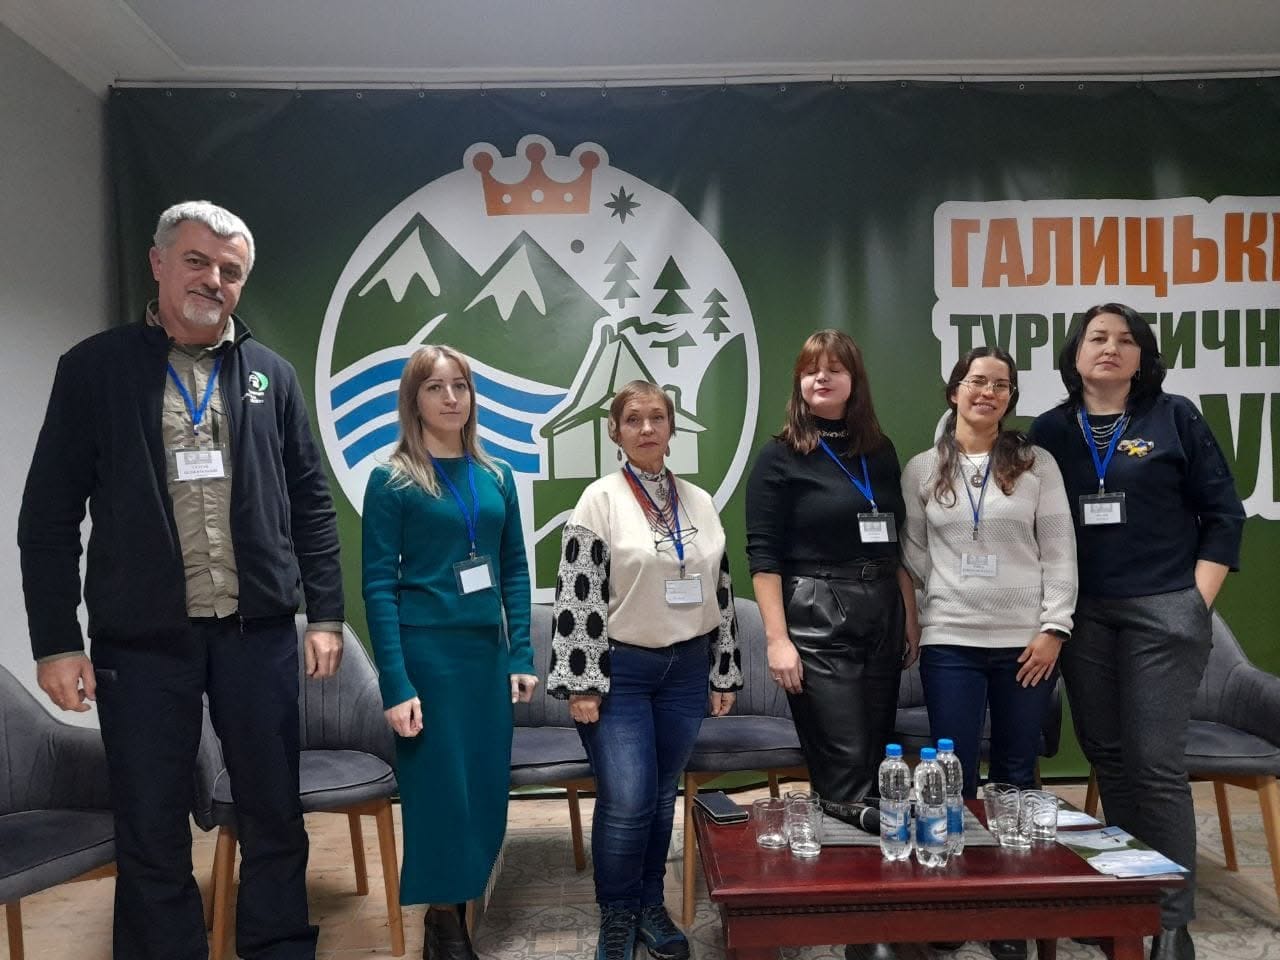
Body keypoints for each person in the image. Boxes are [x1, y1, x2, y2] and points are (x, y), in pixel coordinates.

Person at [18, 201, 345, 960]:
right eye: (197, 261)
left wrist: (326, 614)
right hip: (141, 643)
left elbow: (311, 501)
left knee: (273, 811)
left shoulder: (271, 376)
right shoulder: (93, 370)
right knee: (150, 821)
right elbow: (48, 516)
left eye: (231, 270)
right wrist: (57, 641)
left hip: (258, 633)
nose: (214, 280)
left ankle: (278, 946)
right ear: (159, 263)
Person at [1029, 303, 1245, 960]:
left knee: (1154, 763)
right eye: (1097, 337)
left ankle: (1172, 923)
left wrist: (1194, 603)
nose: (1111, 348)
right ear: (1074, 354)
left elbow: (1224, 515)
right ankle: (1128, 905)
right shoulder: (1049, 431)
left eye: (1126, 340)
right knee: (1111, 760)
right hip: (1085, 616)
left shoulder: (1174, 416)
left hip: (1163, 610)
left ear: (1143, 356)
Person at [547, 380, 741, 960]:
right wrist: (582, 685)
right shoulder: (599, 500)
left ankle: (649, 905)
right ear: (615, 430)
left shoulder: (698, 501)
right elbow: (577, 596)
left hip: (686, 670)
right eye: (633, 419)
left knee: (659, 798)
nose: (647, 428)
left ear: (672, 428)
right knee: (627, 799)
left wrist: (723, 671)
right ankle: (616, 914)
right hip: (621, 671)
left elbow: (721, 590)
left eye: (657, 417)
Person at [745, 329, 918, 960]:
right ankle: (862, 930)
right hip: (816, 618)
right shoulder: (780, 455)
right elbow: (763, 559)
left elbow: (895, 540)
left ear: (854, 381)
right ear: (799, 381)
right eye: (810, 369)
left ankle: (862, 903)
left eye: (834, 369)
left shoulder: (880, 449)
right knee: (846, 771)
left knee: (872, 764)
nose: (822, 378)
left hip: (881, 613)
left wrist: (910, 614)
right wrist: (778, 641)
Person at [900, 346, 1077, 960]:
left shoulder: (1036, 464)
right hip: (951, 640)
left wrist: (1053, 628)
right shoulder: (923, 468)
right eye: (977, 381)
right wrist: (947, 594)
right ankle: (954, 901)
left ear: (1010, 398)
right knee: (952, 776)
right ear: (955, 391)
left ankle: (1008, 909)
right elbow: (914, 551)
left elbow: (1059, 549)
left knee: (1015, 774)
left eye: (1001, 385)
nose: (988, 392)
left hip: (1026, 645)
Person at [362, 344, 536, 960]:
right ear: (413, 400)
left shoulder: (497, 475)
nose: (450, 398)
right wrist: (396, 683)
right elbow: (378, 586)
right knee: (440, 793)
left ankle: (462, 901)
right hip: (427, 660)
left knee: (484, 789)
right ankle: (443, 921)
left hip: (485, 659)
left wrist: (521, 655)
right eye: (435, 387)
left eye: (459, 385)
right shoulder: (392, 480)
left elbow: (514, 569)